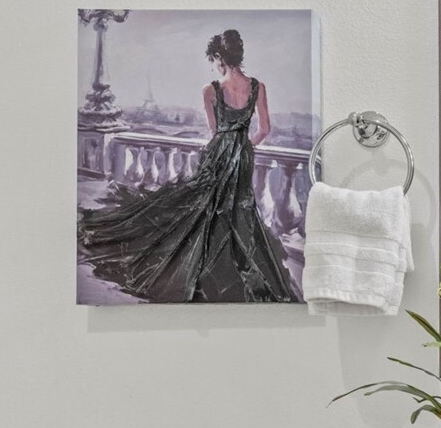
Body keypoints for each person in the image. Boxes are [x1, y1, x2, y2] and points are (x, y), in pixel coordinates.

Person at [79, 28, 300, 303]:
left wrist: (225, 144)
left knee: (204, 207)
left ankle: (205, 264)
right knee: (238, 208)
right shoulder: (258, 87)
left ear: (219, 56)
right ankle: (234, 263)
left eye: (214, 59)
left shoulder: (210, 90)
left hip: (219, 151)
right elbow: (265, 128)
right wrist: (244, 146)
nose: (215, 64)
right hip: (242, 154)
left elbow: (213, 130)